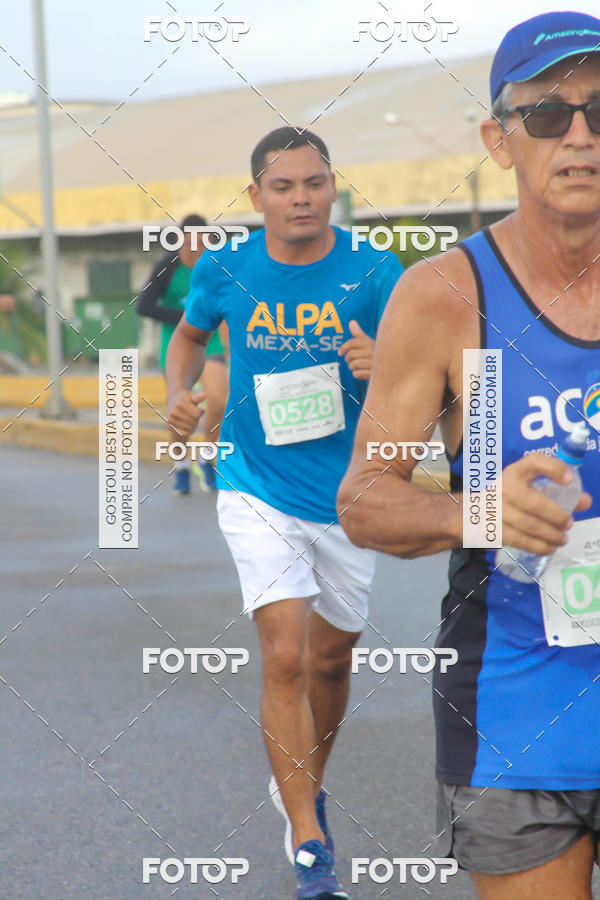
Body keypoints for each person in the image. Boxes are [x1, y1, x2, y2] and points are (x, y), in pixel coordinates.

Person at [338, 10, 600, 898]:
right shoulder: (446, 295)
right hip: (516, 705)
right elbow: (366, 497)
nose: (579, 138)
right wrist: (482, 509)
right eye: (547, 116)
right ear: (500, 138)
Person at [166, 126, 402, 898]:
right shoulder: (226, 266)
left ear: (334, 186)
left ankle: (306, 786)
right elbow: (189, 337)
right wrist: (180, 391)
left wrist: (386, 363)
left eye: (313, 183)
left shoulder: (374, 270)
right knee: (287, 657)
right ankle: (308, 843)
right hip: (254, 485)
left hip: (349, 493)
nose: (300, 198)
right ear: (256, 196)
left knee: (333, 660)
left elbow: (426, 371)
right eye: (282, 186)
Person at [137, 213, 229, 494]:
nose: (196, 251)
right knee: (180, 408)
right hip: (177, 344)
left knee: (219, 399)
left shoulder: (217, 265)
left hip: (210, 342)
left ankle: (207, 459)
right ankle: (181, 468)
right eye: (190, 245)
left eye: (202, 244)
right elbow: (144, 306)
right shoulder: (167, 267)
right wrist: (186, 316)